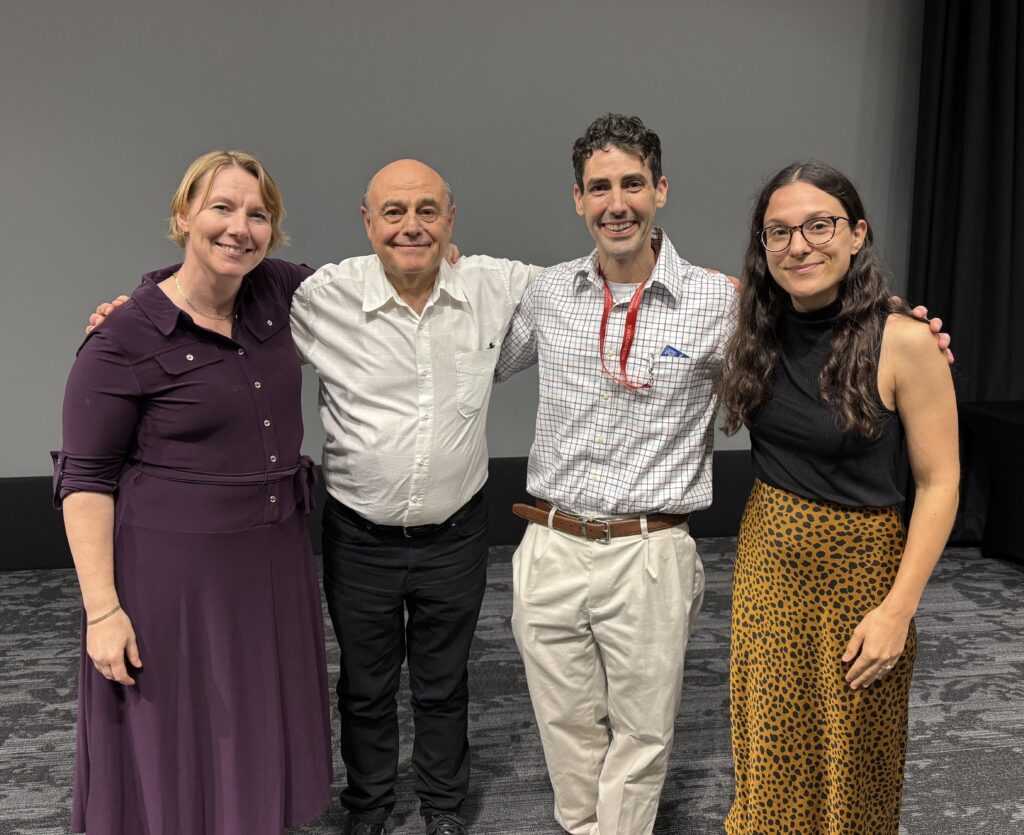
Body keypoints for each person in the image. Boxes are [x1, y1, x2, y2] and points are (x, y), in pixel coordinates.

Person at [55, 150, 332, 834]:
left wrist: (442, 258)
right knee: (179, 743)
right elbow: (85, 480)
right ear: (182, 218)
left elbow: (374, 282)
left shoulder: (276, 291)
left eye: (258, 214)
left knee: (258, 727)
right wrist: (102, 611)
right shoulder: (121, 338)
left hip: (271, 564)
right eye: (221, 207)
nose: (240, 227)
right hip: (172, 582)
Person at [494, 113, 735, 835]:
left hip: (650, 548)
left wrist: (898, 323)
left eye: (632, 183)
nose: (616, 202)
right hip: (552, 541)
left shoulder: (716, 301)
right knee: (564, 722)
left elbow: (806, 345)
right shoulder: (548, 293)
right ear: (578, 199)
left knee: (641, 731)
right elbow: (466, 357)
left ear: (660, 189)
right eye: (599, 187)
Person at [289, 159, 537, 835]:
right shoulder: (321, 298)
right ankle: (368, 806)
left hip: (456, 532)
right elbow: (223, 297)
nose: (411, 225)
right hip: (358, 536)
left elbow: (595, 284)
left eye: (427, 210)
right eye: (393, 211)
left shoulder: (494, 285)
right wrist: (138, 300)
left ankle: (444, 806)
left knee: (444, 679)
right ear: (367, 221)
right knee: (364, 685)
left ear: (450, 218)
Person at [718, 161, 959, 833]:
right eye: (779, 231)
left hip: (864, 575)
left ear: (857, 234)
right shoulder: (754, 323)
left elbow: (941, 483)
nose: (799, 245)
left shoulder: (905, 341)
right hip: (769, 566)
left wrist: (897, 611)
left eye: (818, 225)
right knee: (769, 756)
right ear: (763, 248)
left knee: (855, 760)